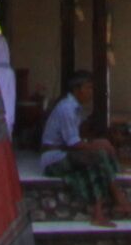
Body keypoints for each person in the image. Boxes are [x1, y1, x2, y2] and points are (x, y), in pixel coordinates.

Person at [36, 70, 120, 224]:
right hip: (53, 159)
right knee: (97, 157)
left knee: (101, 158)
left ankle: (113, 203)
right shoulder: (66, 109)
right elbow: (74, 143)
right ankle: (108, 206)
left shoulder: (76, 109)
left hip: (65, 154)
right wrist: (98, 144)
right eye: (88, 88)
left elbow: (79, 135)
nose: (91, 92)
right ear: (77, 89)